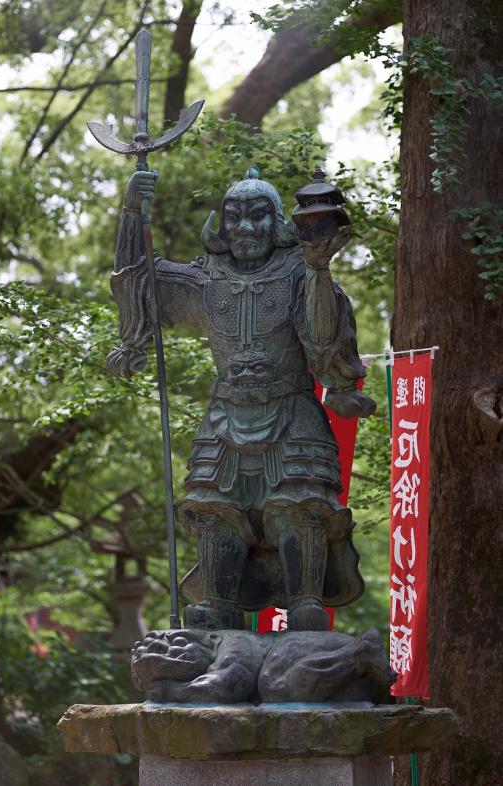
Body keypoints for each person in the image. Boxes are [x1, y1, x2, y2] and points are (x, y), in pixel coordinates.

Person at [108, 166, 375, 631]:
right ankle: (217, 600)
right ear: (221, 225)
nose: (246, 229)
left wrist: (317, 267)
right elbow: (140, 279)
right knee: (213, 509)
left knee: (301, 505)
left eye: (258, 217)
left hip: (291, 409)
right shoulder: (205, 278)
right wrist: (132, 212)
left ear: (277, 222)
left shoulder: (299, 269)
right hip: (225, 412)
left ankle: (306, 601)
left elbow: (323, 339)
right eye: (235, 218)